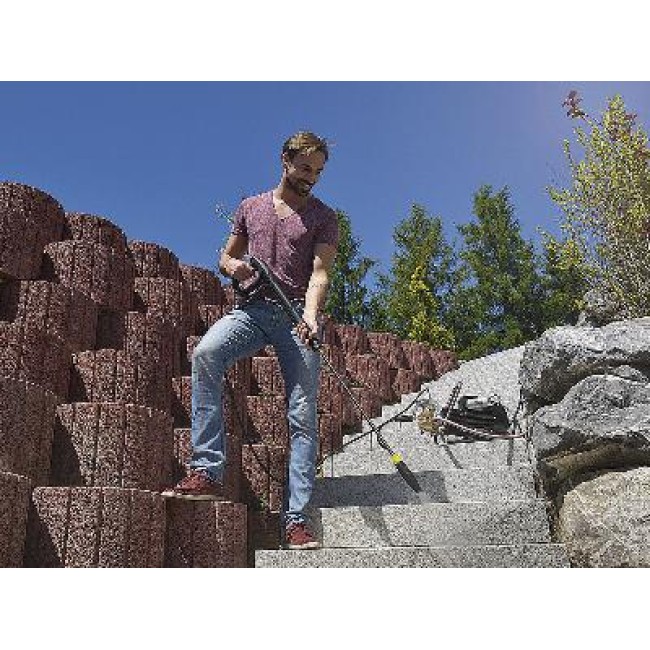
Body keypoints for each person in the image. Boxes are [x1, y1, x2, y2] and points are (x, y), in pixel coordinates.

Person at [163, 131, 339, 551]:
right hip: (251, 311)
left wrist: (311, 316)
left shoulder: (324, 217)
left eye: (318, 171)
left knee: (302, 415)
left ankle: (296, 520)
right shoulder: (250, 207)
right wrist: (234, 268)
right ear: (285, 160)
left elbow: (320, 274)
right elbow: (225, 256)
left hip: (296, 316)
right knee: (206, 353)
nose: (311, 177)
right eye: (304, 168)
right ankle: (207, 470)